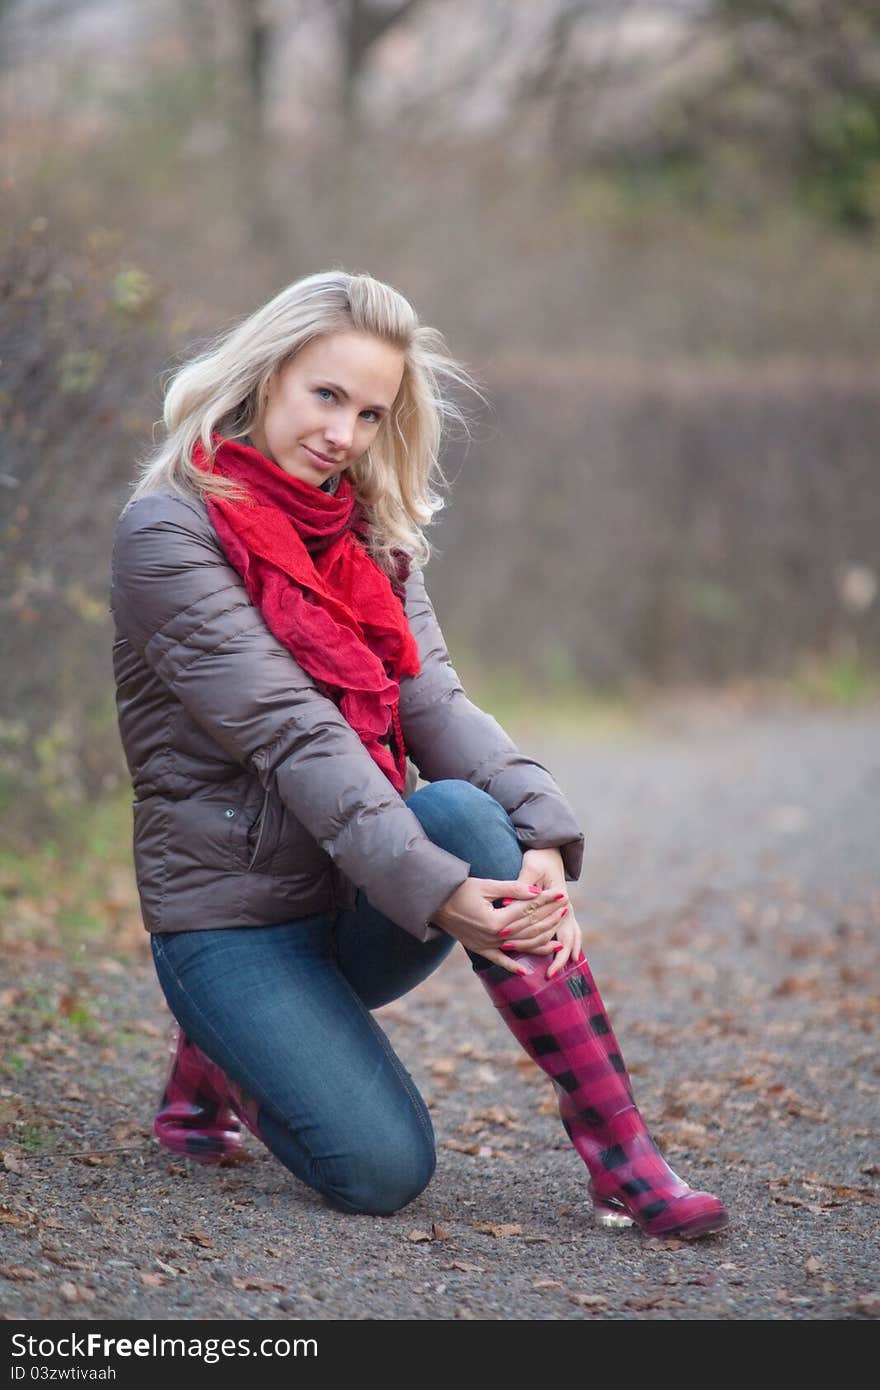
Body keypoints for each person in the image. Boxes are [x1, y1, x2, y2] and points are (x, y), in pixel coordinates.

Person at [109, 269, 728, 1240]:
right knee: (381, 1170)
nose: (343, 435)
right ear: (267, 375)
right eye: (325, 395)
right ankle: (223, 1044)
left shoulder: (368, 537)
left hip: (351, 890)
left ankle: (621, 1153)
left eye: (369, 412)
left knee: (475, 816)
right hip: (228, 919)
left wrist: (540, 833)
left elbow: (433, 701)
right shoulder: (168, 534)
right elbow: (289, 729)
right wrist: (436, 889)